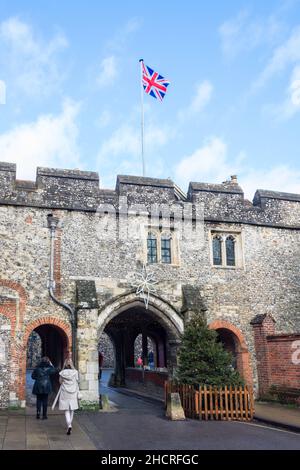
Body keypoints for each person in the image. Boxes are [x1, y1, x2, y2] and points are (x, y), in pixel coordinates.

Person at [58, 358, 79, 435]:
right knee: (72, 409)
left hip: (65, 392)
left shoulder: (62, 372)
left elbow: (60, 382)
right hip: (73, 392)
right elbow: (77, 380)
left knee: (66, 410)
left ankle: (69, 425)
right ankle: (70, 424)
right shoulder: (75, 372)